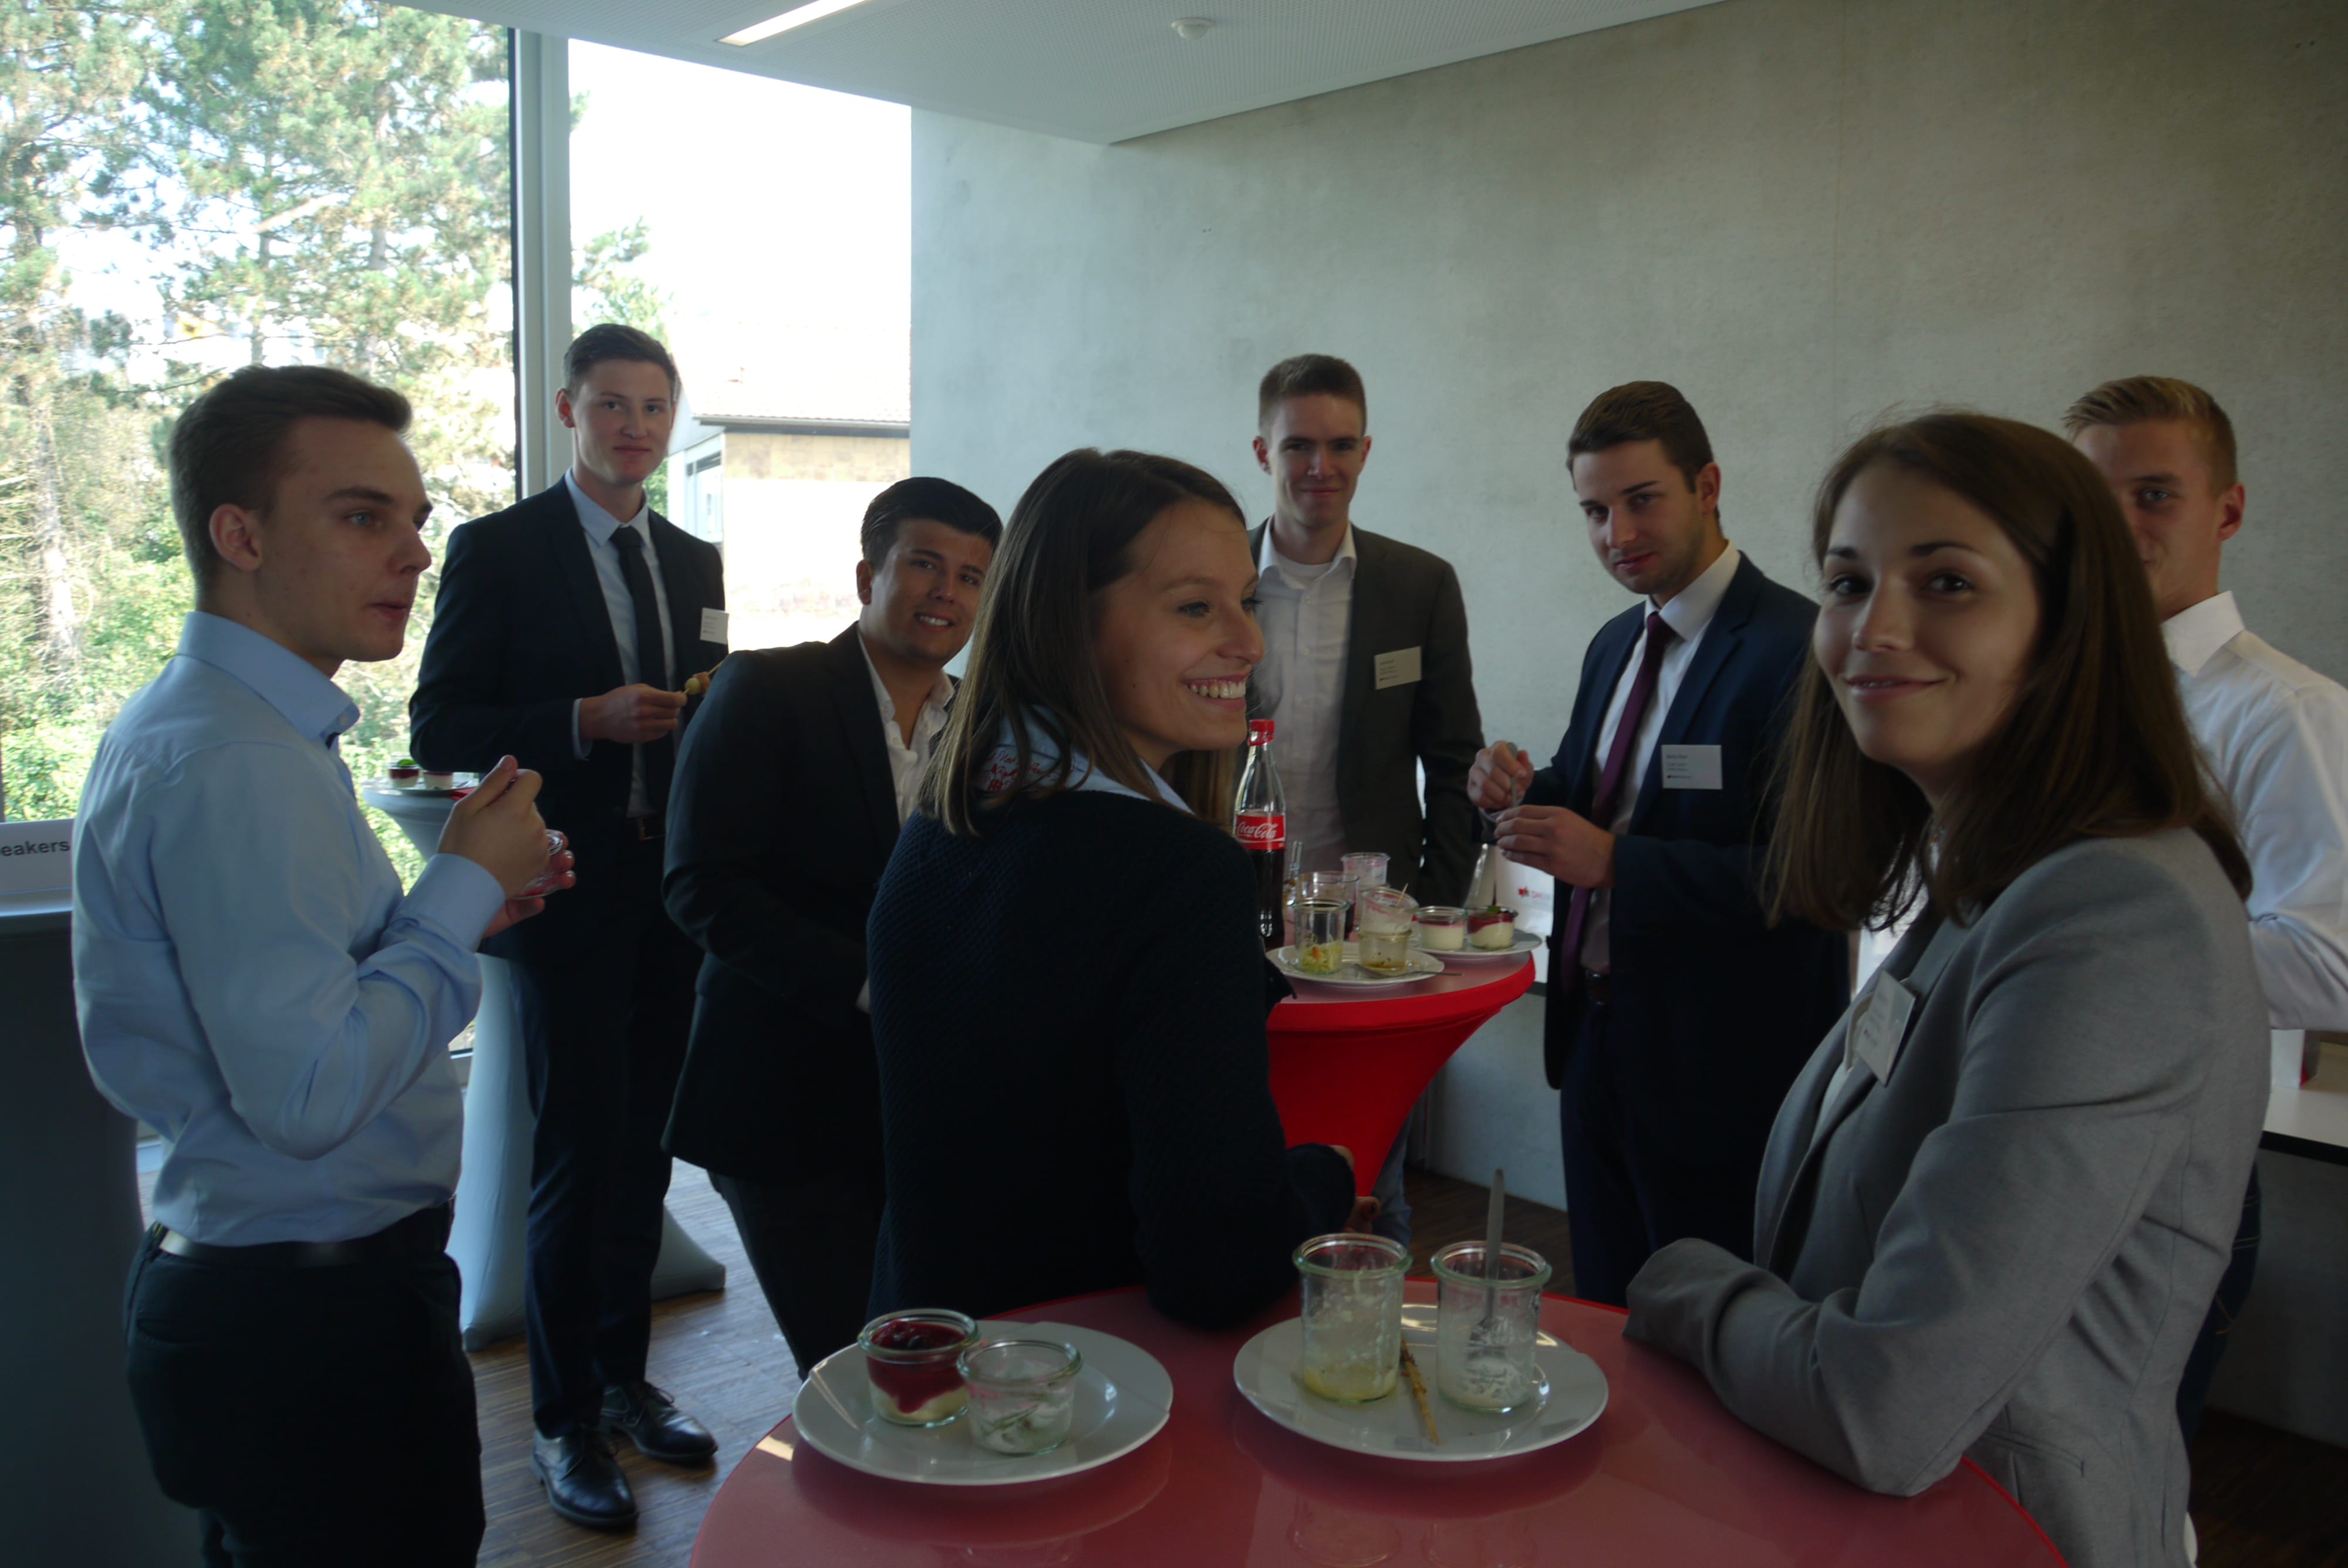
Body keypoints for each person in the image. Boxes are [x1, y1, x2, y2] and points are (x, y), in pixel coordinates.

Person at [1624, 413, 2269, 1568]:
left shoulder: (2113, 913)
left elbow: (1888, 1401)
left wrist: (1679, 1285)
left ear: (2068, 624)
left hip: (2011, 1534)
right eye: (1847, 581)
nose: (1875, 628)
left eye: (1947, 582)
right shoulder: (1987, 871)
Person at [76, 365, 568, 1566]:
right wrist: (454, 894)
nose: (413, 552)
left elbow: (308, 1003)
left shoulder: (218, 729)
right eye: (363, 517)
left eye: (415, 518)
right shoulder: (236, 760)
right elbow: (306, 1097)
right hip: (307, 1325)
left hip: (275, 1304)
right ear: (237, 534)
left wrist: (463, 904)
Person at [864, 448, 1369, 1326]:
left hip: (930, 1363)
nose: (1249, 642)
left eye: (1244, 602)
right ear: (1072, 624)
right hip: (1086, 1391)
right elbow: (1218, 1267)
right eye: (1195, 607)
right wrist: (1322, 1175)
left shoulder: (943, 823)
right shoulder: (1176, 874)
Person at [411, 324, 726, 1529]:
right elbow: (440, 721)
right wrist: (581, 718)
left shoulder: (695, 558)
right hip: (563, 891)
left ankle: (623, 1381)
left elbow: (704, 700)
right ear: (568, 410)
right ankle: (558, 1417)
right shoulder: (499, 550)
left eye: (652, 406)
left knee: (644, 1155)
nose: (633, 425)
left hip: (670, 893)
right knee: (575, 1158)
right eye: (611, 405)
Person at [1470, 381, 1847, 1306]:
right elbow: (1597, 797)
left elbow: (1819, 881)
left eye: (1643, 500)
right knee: (1605, 1304)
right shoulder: (1615, 643)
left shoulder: (1799, 649)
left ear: (1709, 485)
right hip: (1598, 1031)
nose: (1616, 534)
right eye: (1595, 511)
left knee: (1710, 1323)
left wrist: (1616, 865)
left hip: (1722, 1059)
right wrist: (1515, 793)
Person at [663, 477, 1002, 1377]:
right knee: (846, 1364)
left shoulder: (984, 723)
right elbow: (701, 887)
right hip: (782, 1098)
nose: (947, 593)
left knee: (926, 1357)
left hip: (919, 1106)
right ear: (867, 573)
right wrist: (869, 986)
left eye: (971, 577)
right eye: (925, 565)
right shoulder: (768, 689)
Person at [2066, 374, 2348, 1447]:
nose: (2124, 526)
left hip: (2171, 1164)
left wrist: (2099, 965)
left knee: (2121, 1474)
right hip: (2040, 1137)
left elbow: (2329, 963)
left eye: (2156, 495)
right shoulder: (2053, 697)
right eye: (2100, 499)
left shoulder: (2288, 715)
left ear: (2226, 511)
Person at [1248, 353, 1486, 1251]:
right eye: (1300, 445)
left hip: (1366, 927)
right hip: (1237, 908)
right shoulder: (1214, 583)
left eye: (1341, 445)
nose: (1322, 467)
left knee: (1370, 1158)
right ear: (1262, 449)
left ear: (1366, 450)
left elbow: (1455, 757)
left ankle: (1372, 1322)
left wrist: (1436, 905)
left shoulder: (1418, 585)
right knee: (1243, 1133)